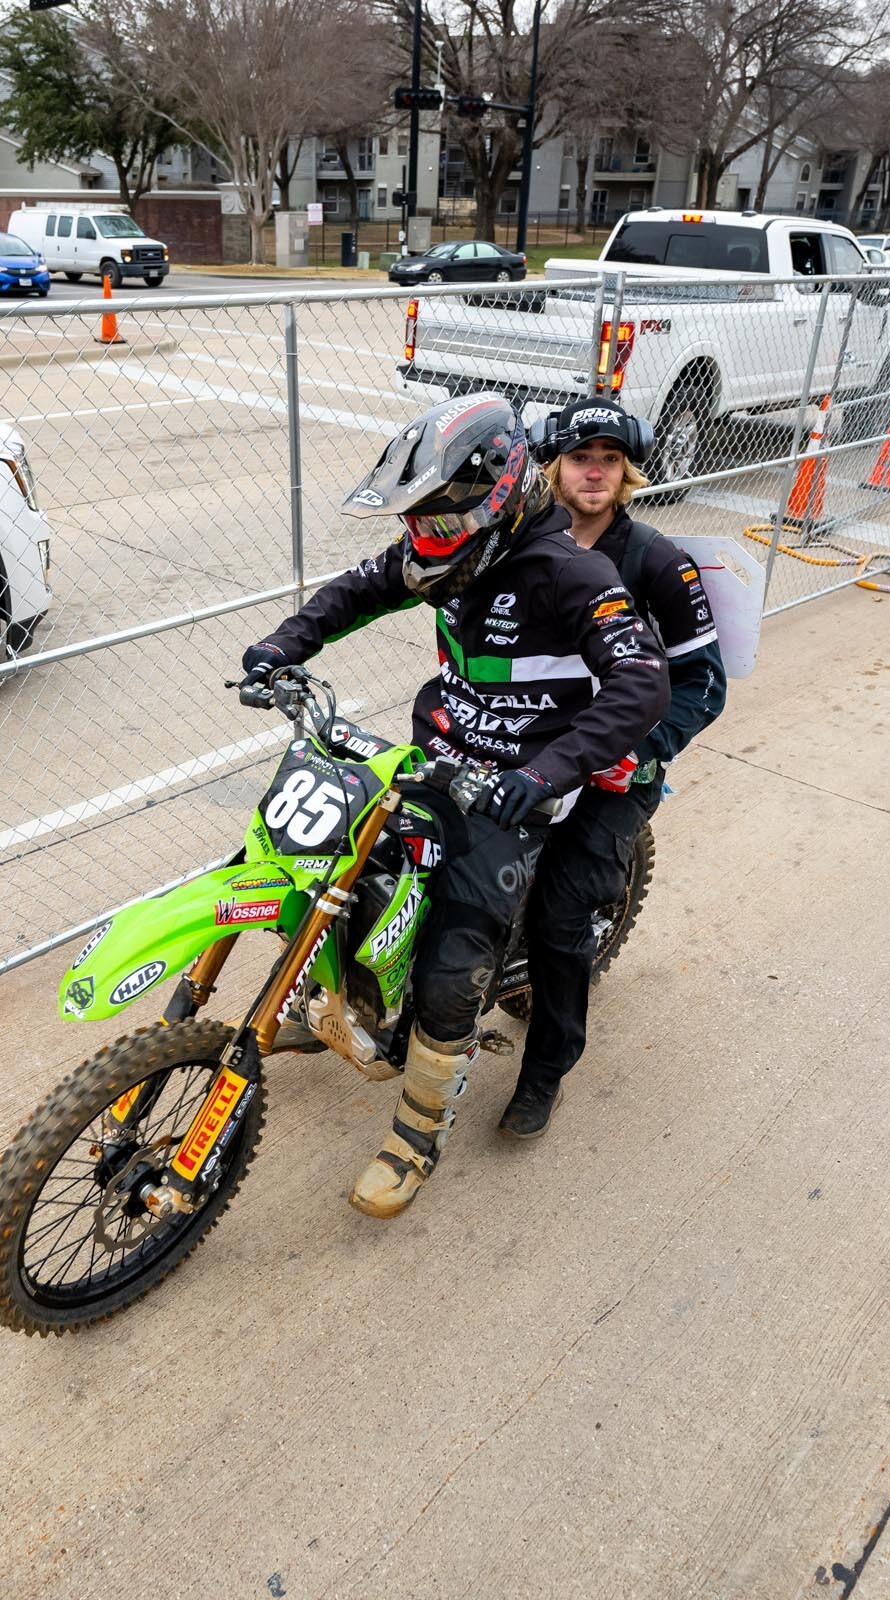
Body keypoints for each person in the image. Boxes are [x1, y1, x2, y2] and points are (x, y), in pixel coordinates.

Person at [242, 394, 669, 1218]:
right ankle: (326, 1000)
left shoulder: (570, 573)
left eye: (439, 520)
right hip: (434, 756)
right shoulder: (446, 551)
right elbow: (358, 590)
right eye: (415, 521)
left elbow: (642, 680)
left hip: (517, 785)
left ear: (500, 494)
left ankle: (418, 1129)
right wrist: (278, 649)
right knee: (329, 871)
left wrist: (544, 775)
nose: (422, 539)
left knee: (451, 963)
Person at [499, 400, 728, 1139]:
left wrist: (648, 749)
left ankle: (545, 1070)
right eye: (578, 457)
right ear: (552, 468)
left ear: (626, 471)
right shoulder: (520, 543)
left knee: (562, 913)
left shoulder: (656, 559)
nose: (593, 470)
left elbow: (704, 683)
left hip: (614, 765)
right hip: (528, 743)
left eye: (607, 458)